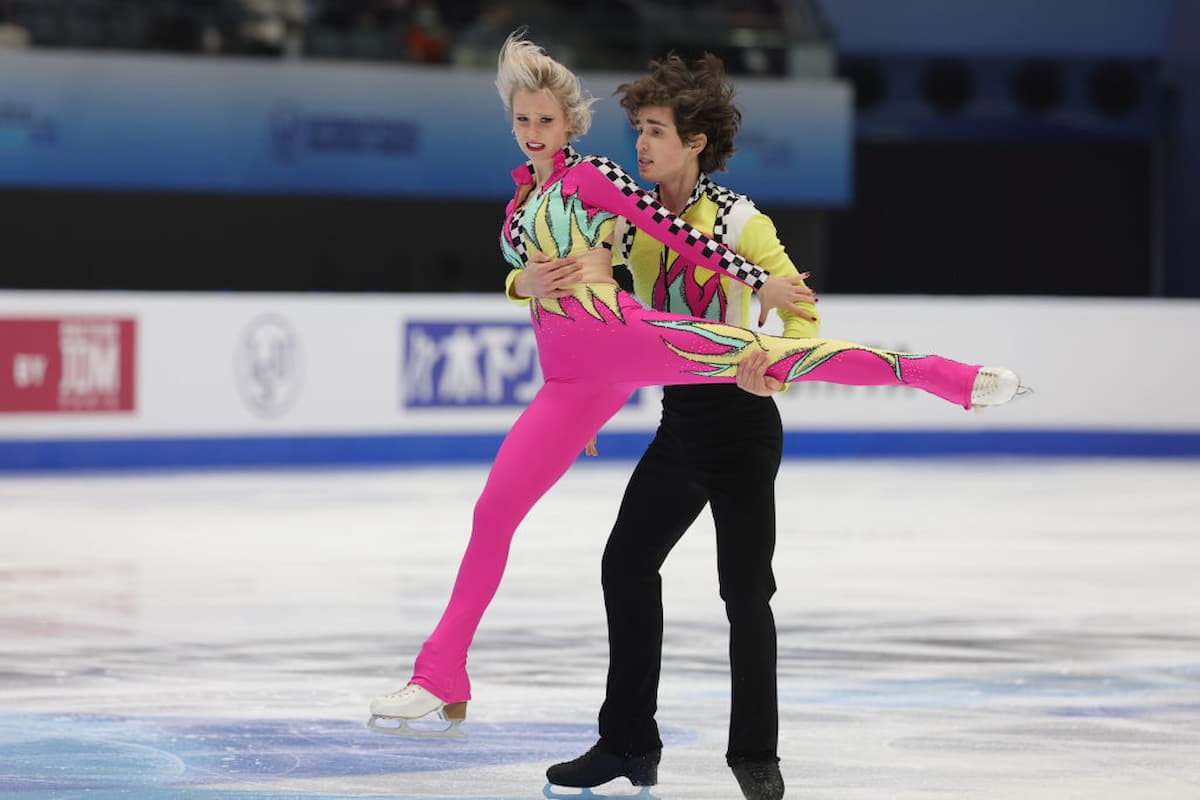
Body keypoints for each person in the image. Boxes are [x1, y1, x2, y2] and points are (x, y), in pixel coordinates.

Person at [368, 29, 1023, 752]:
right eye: (522, 120)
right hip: (567, 381)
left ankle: (942, 376)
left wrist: (758, 281)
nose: (532, 132)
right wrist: (518, 281)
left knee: (775, 355)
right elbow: (522, 274)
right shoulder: (520, 202)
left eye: (545, 121)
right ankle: (444, 674)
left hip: (624, 338)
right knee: (493, 512)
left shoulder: (596, 179)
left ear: (569, 124)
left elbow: (678, 237)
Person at [540, 52, 811, 800]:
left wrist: (774, 359)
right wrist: (589, 392)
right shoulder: (627, 223)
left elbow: (801, 311)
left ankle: (756, 755)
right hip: (680, 421)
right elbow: (594, 304)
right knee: (625, 566)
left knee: (744, 590)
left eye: (655, 131)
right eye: (637, 131)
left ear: (694, 142)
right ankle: (628, 742)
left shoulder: (742, 221)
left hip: (744, 422)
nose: (641, 145)